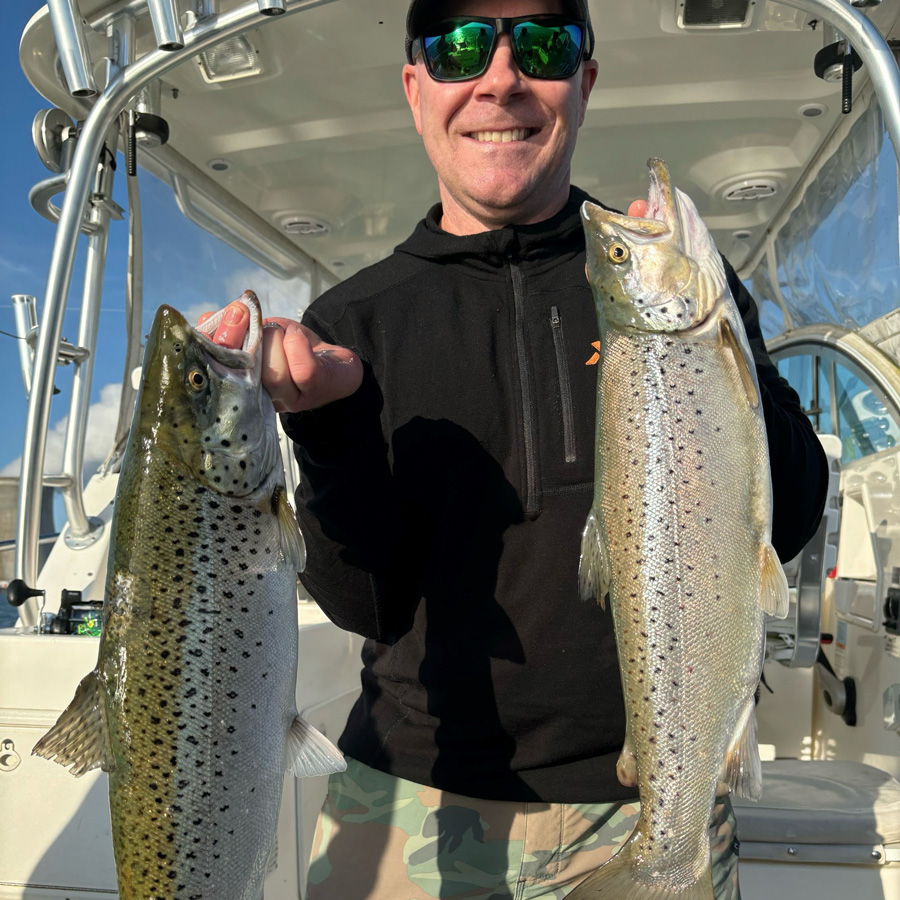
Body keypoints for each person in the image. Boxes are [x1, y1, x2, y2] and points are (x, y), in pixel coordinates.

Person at [204, 1, 829, 897]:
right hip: (409, 801)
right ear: (418, 89)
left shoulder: (668, 276)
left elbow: (792, 517)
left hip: (664, 790)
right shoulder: (354, 323)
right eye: (460, 48)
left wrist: (725, 336)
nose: (500, 77)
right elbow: (360, 603)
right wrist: (327, 428)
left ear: (584, 80)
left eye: (542, 43)